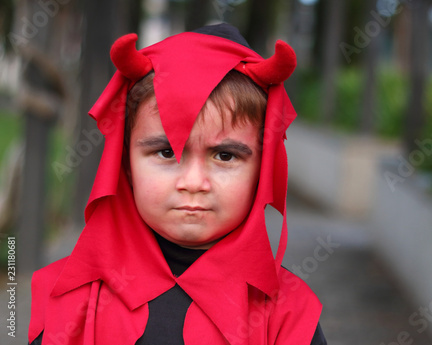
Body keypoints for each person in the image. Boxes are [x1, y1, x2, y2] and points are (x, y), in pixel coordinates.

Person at [28, 23, 327, 344]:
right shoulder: (64, 296)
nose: (194, 183)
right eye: (166, 151)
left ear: (262, 169)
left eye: (225, 156)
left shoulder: (291, 314)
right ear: (125, 162)